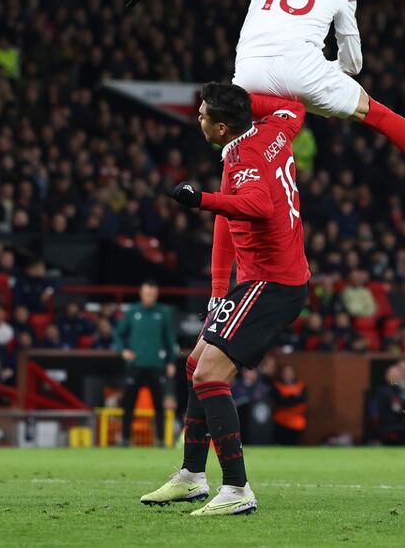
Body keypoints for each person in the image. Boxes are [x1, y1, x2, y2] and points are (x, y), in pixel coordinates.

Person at [104, 0, 405, 212]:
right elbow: (353, 57)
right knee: (381, 117)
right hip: (306, 71)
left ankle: (230, 241)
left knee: (241, 149)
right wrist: (335, 73)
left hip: (250, 75)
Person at [139, 83, 309, 516]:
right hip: (263, 279)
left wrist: (201, 200)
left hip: (272, 282)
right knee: (197, 363)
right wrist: (218, 291)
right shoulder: (273, 132)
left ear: (220, 127)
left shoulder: (244, 157)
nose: (196, 118)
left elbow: (256, 205)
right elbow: (293, 107)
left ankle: (237, 489)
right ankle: (193, 477)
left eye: (201, 115)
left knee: (210, 373)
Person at [114, 280, 176, 446]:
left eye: (153, 294)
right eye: (147, 294)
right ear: (141, 293)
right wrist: (123, 350)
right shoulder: (133, 311)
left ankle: (161, 439)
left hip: (156, 365)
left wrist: (171, 361)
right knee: (128, 403)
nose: (150, 297)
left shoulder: (163, 312)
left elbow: (169, 339)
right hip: (135, 365)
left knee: (159, 405)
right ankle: (126, 439)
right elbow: (118, 334)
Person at [271, 364, 307, 445]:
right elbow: (281, 401)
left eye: (290, 372)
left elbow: (302, 400)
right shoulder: (277, 385)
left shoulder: (301, 386)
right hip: (281, 422)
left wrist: (288, 399)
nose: (288, 375)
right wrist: (293, 398)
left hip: (297, 422)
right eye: (286, 373)